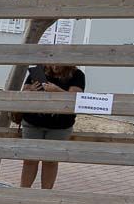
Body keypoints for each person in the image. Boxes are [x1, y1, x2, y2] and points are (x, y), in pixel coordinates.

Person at [19, 64, 86, 192]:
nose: (55, 66)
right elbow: (24, 93)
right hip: (33, 121)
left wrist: (57, 90)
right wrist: (31, 90)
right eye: (53, 62)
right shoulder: (38, 71)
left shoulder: (77, 74)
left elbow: (76, 99)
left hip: (60, 125)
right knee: (29, 159)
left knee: (50, 161)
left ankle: (46, 196)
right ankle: (23, 193)